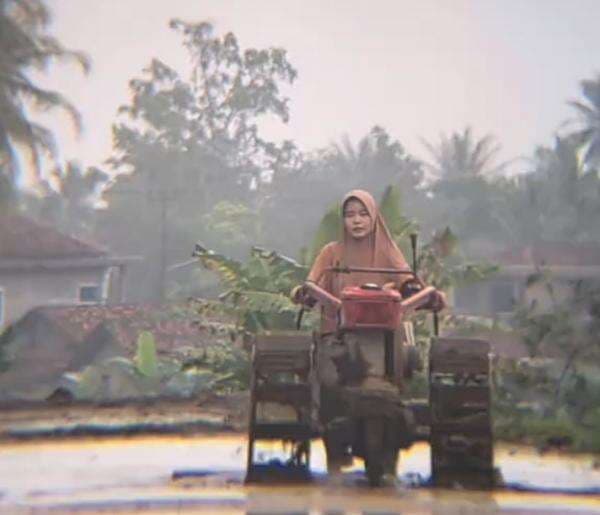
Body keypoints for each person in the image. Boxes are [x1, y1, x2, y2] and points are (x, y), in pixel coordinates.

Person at [293, 189, 446, 332]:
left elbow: (409, 286)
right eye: (350, 215)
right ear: (343, 220)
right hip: (336, 336)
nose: (357, 221)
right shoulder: (331, 252)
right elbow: (310, 287)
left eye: (363, 214)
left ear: (373, 217)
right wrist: (303, 294)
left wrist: (427, 297)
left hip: (385, 336)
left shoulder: (388, 252)